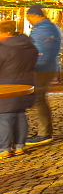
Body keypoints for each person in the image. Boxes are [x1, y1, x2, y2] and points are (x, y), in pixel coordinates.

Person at [25, 5, 63, 147]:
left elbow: (41, 52)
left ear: (36, 15)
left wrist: (33, 67)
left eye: (29, 17)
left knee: (39, 99)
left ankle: (44, 133)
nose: (29, 20)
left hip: (41, 69)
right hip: (47, 67)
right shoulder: (49, 28)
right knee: (39, 99)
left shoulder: (43, 30)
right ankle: (44, 131)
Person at [0, 21, 38, 158]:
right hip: (26, 85)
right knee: (20, 114)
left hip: (6, 86)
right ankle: (19, 146)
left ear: (7, 33)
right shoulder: (29, 46)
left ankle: (4, 148)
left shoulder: (3, 48)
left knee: (4, 116)